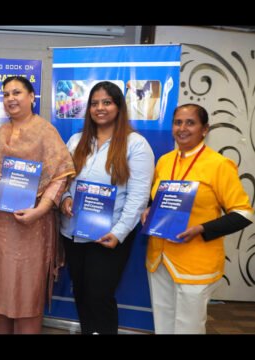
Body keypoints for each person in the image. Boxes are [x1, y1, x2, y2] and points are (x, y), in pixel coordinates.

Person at [0, 76, 76, 334]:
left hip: (33, 226)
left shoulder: (46, 131)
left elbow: (61, 175)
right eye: (6, 94)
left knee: (26, 291)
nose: (10, 98)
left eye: (17, 92)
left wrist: (40, 210)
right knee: (1, 287)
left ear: (32, 97)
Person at [142, 103, 253, 334]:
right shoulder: (165, 161)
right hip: (159, 258)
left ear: (205, 129)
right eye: (178, 122)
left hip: (195, 260)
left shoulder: (219, 165)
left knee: (188, 327)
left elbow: (243, 214)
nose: (182, 128)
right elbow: (160, 199)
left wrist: (201, 228)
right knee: (163, 323)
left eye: (190, 122)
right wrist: (148, 210)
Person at [59, 81, 155, 334]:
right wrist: (64, 199)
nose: (100, 108)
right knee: (81, 291)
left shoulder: (136, 145)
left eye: (107, 102)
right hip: (73, 232)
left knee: (99, 295)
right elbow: (64, 180)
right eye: (94, 103)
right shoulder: (76, 140)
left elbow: (138, 197)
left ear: (119, 107)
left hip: (108, 235)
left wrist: (120, 233)